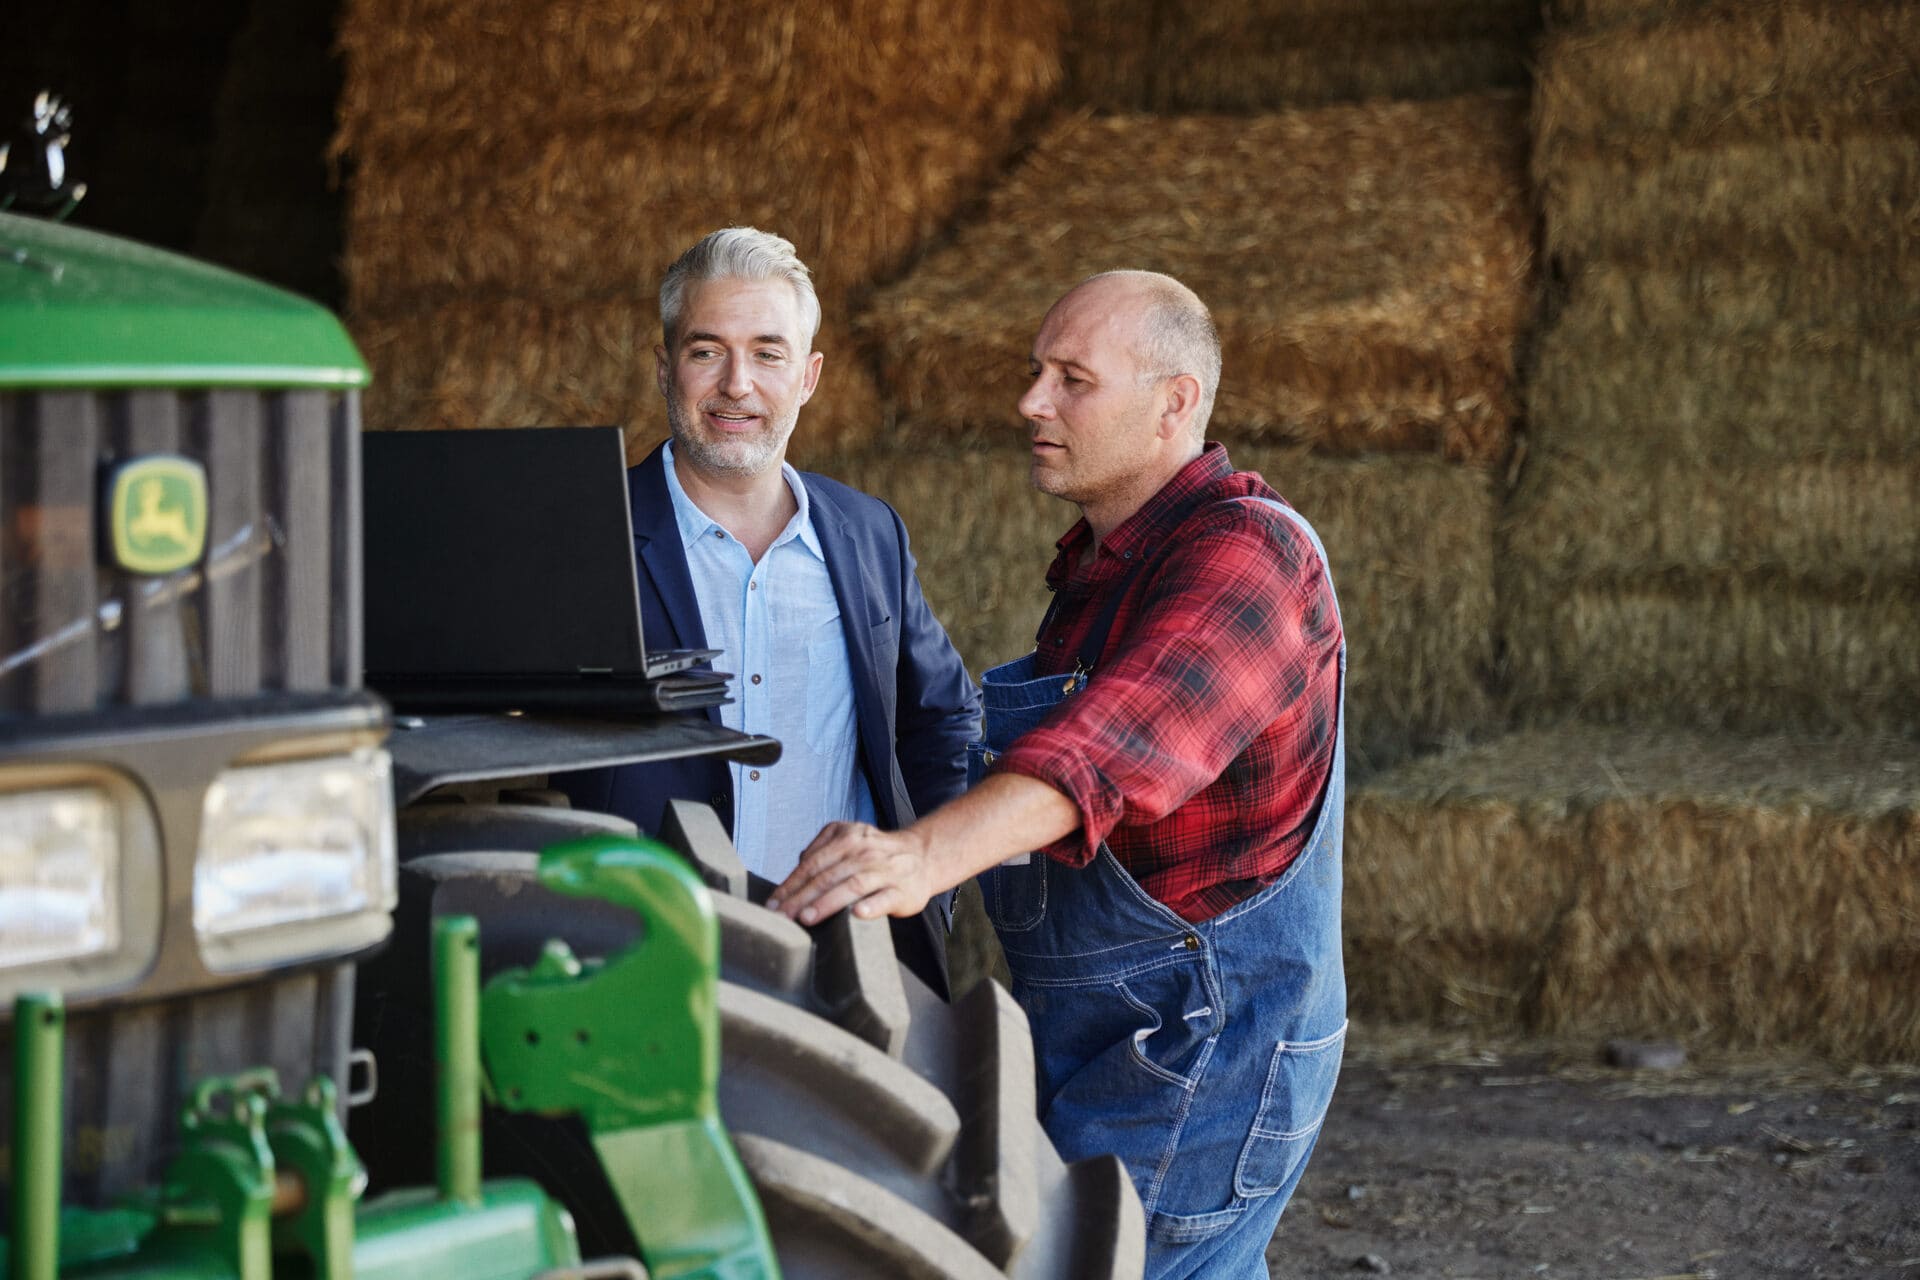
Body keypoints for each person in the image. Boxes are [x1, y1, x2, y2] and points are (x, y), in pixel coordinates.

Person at [770, 270, 1348, 1278]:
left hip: (1201, 1045)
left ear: (1174, 403)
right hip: (1102, 1032)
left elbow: (1117, 742)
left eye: (1073, 379)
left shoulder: (1249, 556)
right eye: (1037, 371)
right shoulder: (1101, 567)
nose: (1031, 402)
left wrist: (921, 859)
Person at [556, 227, 980, 998]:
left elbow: (945, 720)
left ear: (809, 376)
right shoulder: (584, 535)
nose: (737, 385)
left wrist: (925, 880)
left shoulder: (869, 534)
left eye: (768, 353)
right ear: (664, 368)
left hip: (845, 965)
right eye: (706, 351)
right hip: (635, 964)